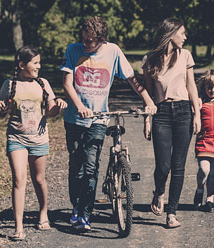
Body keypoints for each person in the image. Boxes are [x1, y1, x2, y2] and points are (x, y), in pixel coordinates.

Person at [60, 16, 156, 232]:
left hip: (98, 119)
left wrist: (148, 101)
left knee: (91, 167)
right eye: (84, 39)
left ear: (102, 39)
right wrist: (79, 107)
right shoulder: (73, 50)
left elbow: (132, 79)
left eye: (91, 41)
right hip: (75, 119)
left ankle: (86, 213)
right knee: (77, 168)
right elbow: (67, 83)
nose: (86, 44)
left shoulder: (112, 51)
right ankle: (76, 207)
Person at [0, 45, 67, 240]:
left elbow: (50, 111)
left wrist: (58, 106)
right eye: (35, 63)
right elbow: (0, 111)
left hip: (38, 138)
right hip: (16, 137)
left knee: (39, 179)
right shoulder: (9, 85)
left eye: (39, 62)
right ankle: (18, 227)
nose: (39, 66)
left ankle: (43, 212)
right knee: (19, 180)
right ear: (21, 64)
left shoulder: (43, 83)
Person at [142, 17, 201, 228]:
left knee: (178, 166)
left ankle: (172, 213)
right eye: (182, 33)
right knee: (163, 165)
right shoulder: (149, 59)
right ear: (171, 33)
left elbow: (191, 86)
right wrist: (147, 120)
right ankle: (159, 191)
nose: (185, 37)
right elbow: (148, 93)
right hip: (161, 113)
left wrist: (197, 114)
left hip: (184, 111)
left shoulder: (185, 55)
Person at [193, 70, 214, 213]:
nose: (212, 90)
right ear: (204, 87)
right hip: (203, 141)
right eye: (209, 87)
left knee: (213, 173)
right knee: (204, 169)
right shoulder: (201, 102)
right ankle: (200, 189)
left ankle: (210, 199)